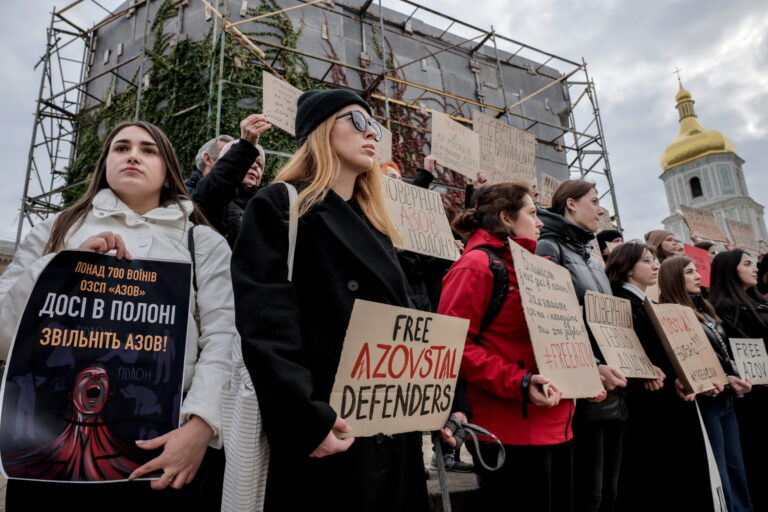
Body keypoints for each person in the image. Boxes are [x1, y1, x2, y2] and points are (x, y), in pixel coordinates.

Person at [0, 121, 235, 511]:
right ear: (104, 163)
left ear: (167, 169)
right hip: (46, 456)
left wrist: (201, 426)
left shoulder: (201, 240)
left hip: (164, 454)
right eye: (121, 147)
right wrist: (60, 269)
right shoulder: (55, 228)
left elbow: (225, 336)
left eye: (148, 149)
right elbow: (5, 336)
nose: (132, 155)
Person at [231, 89, 430, 511]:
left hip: (392, 423)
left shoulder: (377, 225)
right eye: (357, 121)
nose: (371, 133)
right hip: (331, 427)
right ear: (321, 131)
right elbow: (265, 323)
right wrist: (304, 419)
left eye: (375, 125)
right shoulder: (280, 205)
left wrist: (431, 402)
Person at [438, 182, 578, 511]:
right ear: (506, 217)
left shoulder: (534, 269)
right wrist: (520, 383)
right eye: (532, 213)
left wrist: (587, 373)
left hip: (555, 424)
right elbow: (453, 347)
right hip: (508, 430)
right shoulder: (476, 266)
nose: (540, 221)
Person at [536, 179, 626, 512]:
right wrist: (590, 368)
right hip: (583, 386)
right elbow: (551, 320)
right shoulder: (548, 247)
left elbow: (610, 319)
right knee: (587, 493)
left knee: (609, 491)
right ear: (571, 204)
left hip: (612, 383)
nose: (601, 209)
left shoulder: (590, 255)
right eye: (594, 200)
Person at [606, 243, 713, 511]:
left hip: (668, 397)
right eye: (647, 261)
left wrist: (683, 376)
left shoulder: (647, 303)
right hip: (647, 407)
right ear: (628, 269)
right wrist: (645, 368)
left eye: (655, 260)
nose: (655, 266)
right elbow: (619, 348)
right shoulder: (621, 304)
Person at [659, 256, 752, 512]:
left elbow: (721, 354)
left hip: (726, 398)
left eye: (696, 271)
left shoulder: (705, 309)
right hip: (705, 402)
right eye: (690, 272)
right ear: (675, 279)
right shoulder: (672, 315)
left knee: (736, 467)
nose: (698, 276)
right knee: (718, 470)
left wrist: (736, 375)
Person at [710, 249, 767, 510]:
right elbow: (740, 351)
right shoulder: (727, 308)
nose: (754, 268)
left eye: (754, 263)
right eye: (747, 264)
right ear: (730, 270)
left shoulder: (755, 301)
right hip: (754, 395)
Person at [186, 114, 271, 247]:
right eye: (250, 161)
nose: (255, 166)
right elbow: (211, 194)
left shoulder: (266, 204)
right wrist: (246, 146)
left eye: (260, 164)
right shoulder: (215, 199)